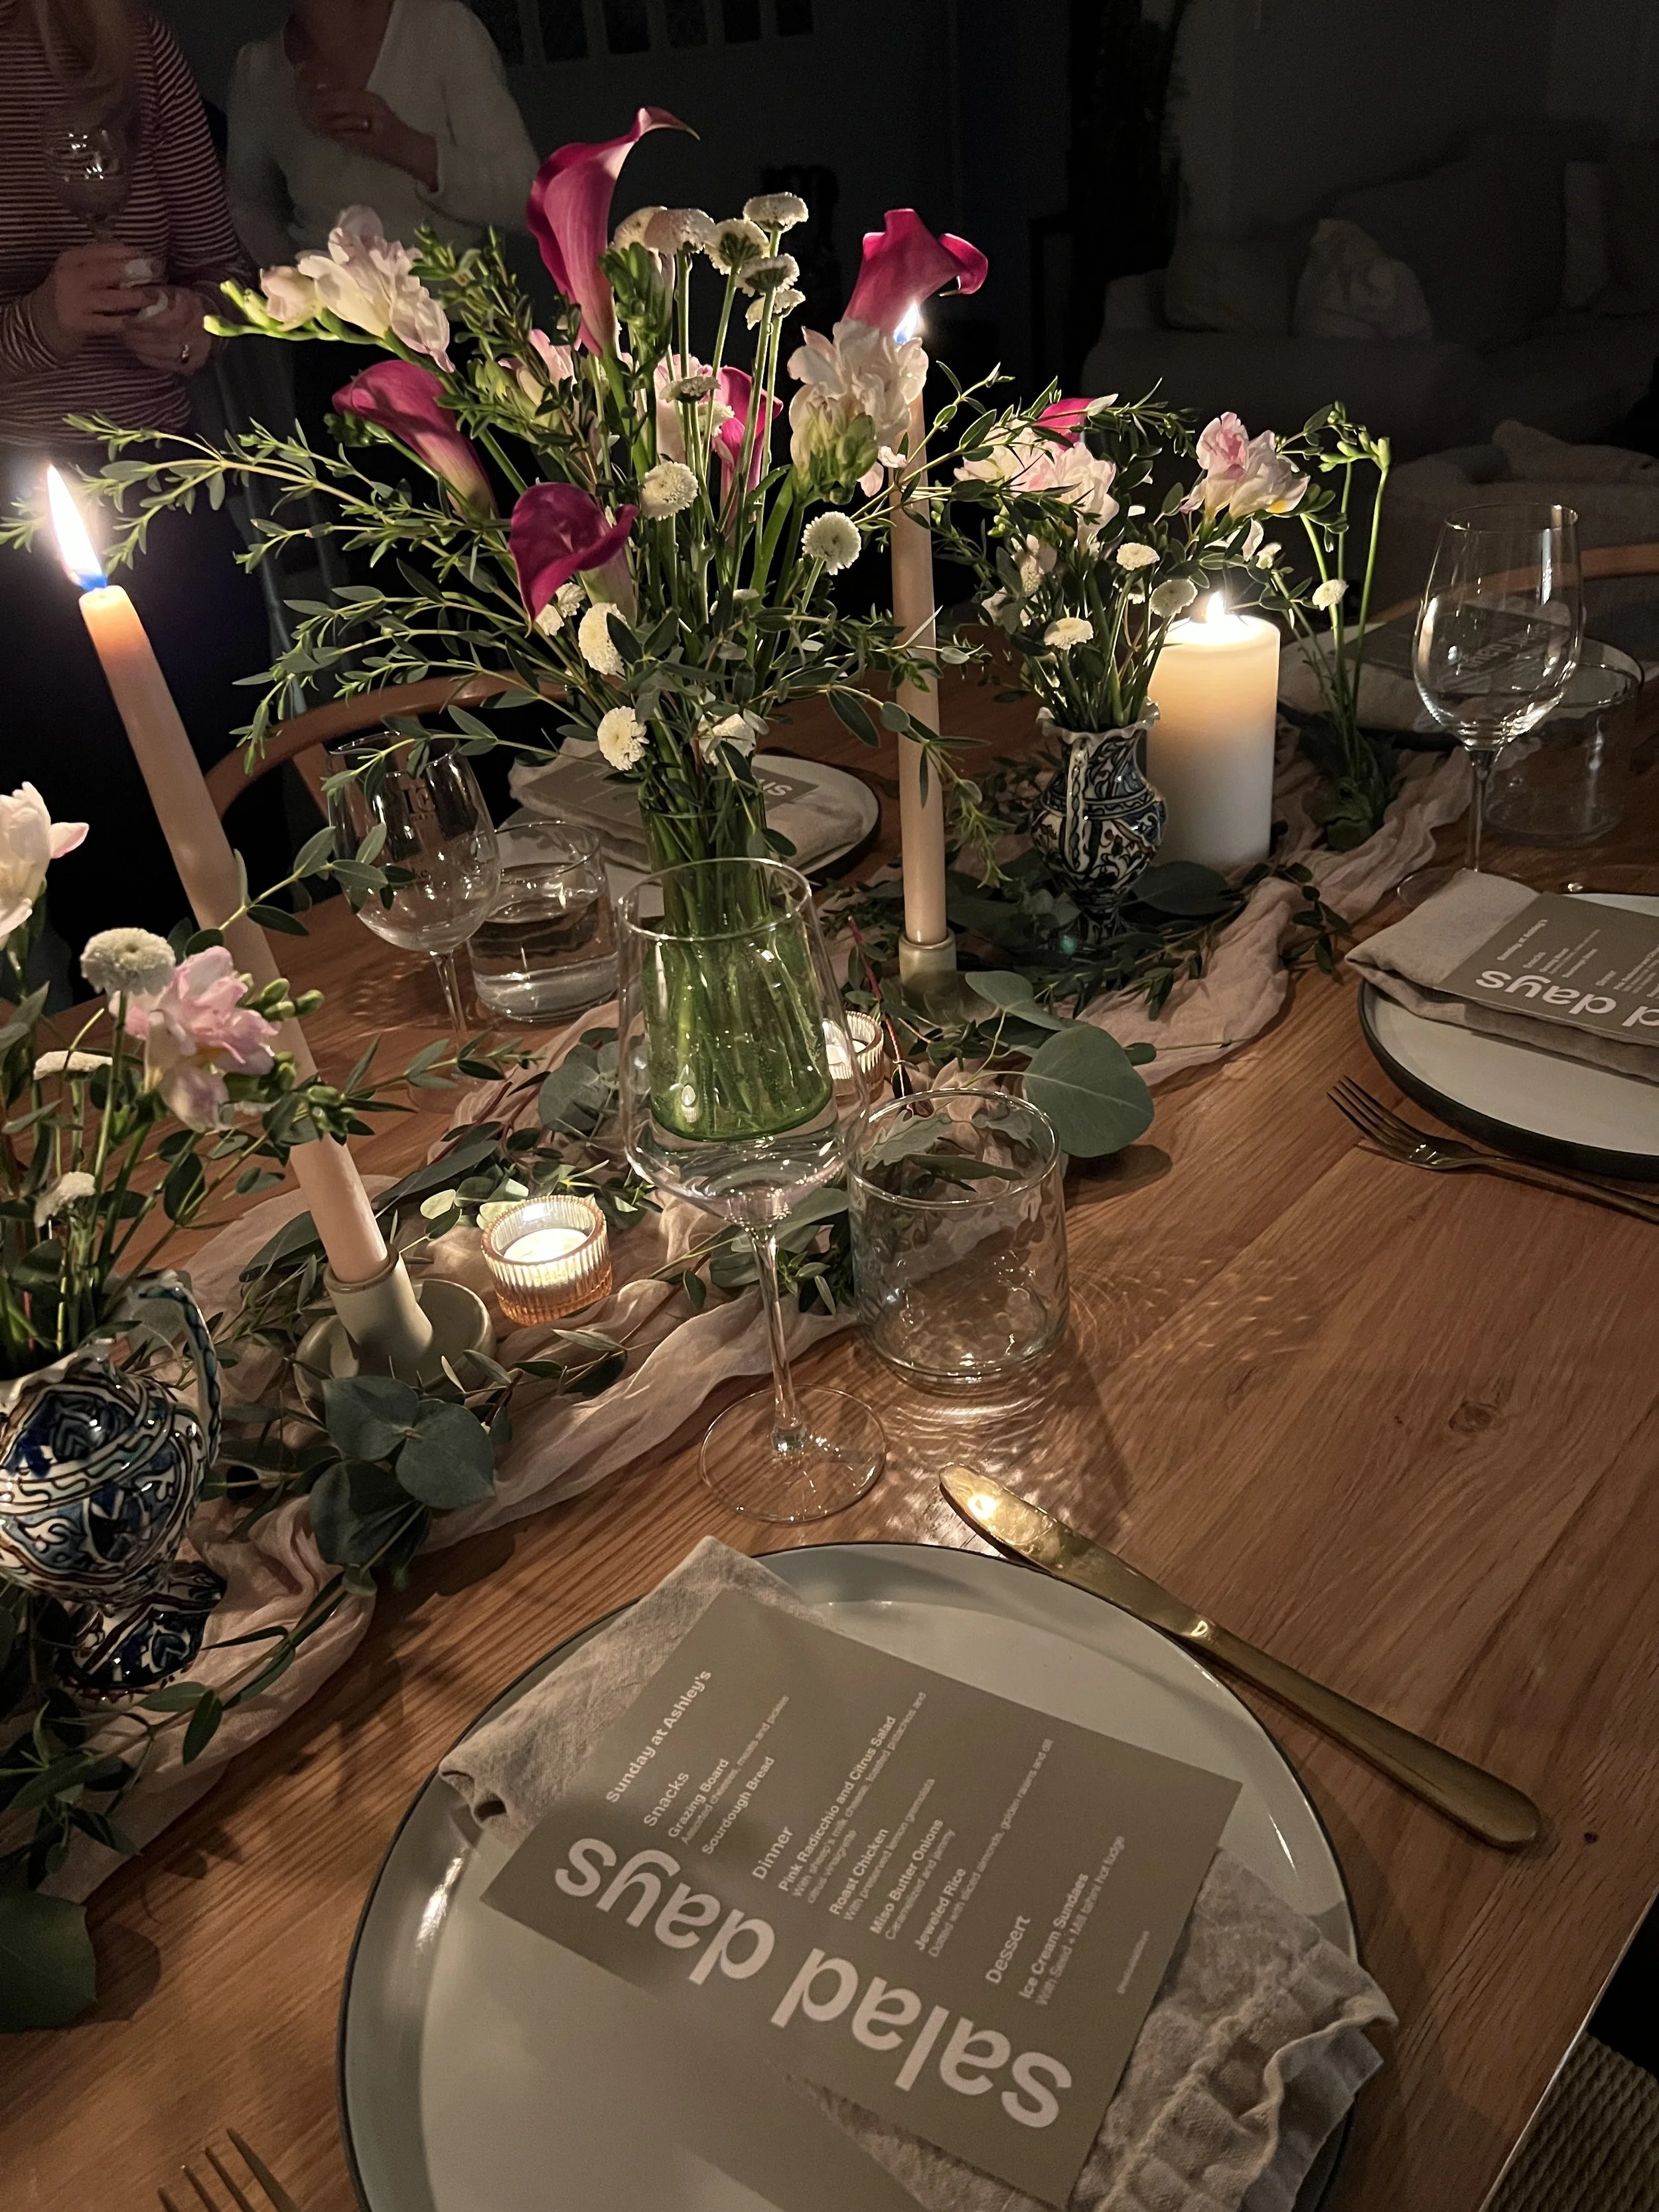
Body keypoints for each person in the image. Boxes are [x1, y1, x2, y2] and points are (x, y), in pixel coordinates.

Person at [0, 0, 290, 959]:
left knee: (241, 815)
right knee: (100, 851)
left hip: (173, 492)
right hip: (18, 520)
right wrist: (44, 320)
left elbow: (223, 279)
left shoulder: (132, 42)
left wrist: (186, 324)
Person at [226, 0, 539, 272]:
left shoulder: (443, 30)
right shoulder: (258, 68)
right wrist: (303, 284)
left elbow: (526, 199)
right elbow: (250, 207)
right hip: (331, 330)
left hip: (454, 321)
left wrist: (404, 145)